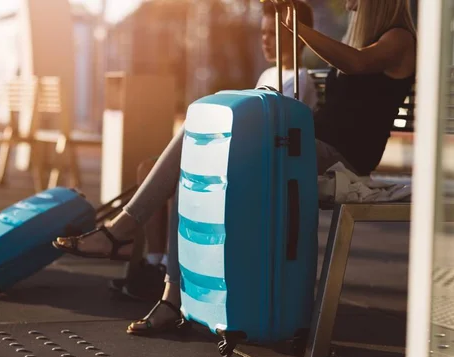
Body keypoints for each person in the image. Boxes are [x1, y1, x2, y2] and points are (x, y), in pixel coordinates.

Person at [54, 0, 417, 335]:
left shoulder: (399, 40)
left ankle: (122, 229)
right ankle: (171, 298)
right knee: (195, 154)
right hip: (305, 148)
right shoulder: (363, 39)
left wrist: (295, 28)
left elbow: (357, 63)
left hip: (338, 158)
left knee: (201, 146)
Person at [107, 0, 318, 303]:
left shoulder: (300, 79)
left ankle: (158, 260)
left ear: (297, 36)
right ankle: (155, 263)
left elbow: (271, 135)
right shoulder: (269, 75)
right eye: (262, 33)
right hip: (243, 155)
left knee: (182, 173)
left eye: (273, 33)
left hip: (258, 166)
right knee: (148, 167)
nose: (265, 40)